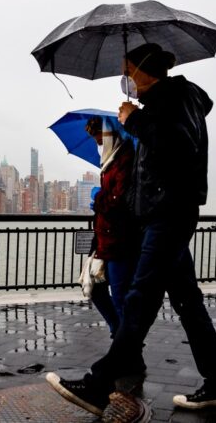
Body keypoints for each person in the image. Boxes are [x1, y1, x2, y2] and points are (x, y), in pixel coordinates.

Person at [46, 42, 216, 415]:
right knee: (188, 303)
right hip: (164, 213)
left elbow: (178, 146)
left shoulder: (174, 99)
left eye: (127, 70)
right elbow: (155, 157)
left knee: (140, 300)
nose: (125, 79)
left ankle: (99, 385)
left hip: (169, 214)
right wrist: (126, 128)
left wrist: (135, 120)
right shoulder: (170, 102)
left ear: (144, 71)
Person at [82, 116, 138, 342]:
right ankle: (119, 333)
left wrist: (99, 198)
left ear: (110, 136)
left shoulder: (126, 160)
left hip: (121, 242)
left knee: (121, 297)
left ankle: (128, 348)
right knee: (96, 289)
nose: (98, 145)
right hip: (105, 240)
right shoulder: (109, 164)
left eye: (99, 139)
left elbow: (120, 201)